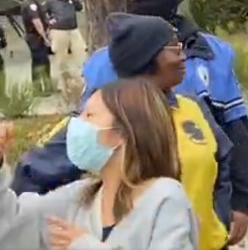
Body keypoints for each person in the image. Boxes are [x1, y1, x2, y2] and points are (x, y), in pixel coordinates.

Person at [77, 0, 248, 245]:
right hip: (130, 221)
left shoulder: (213, 55)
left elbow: (237, 132)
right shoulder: (103, 63)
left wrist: (240, 202)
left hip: (202, 213)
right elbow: (82, 142)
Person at [14, 14, 233, 250]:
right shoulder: (101, 118)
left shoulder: (192, 107)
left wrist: (225, 216)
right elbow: (29, 181)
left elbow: (223, 161)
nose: (183, 55)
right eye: (173, 47)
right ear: (147, 57)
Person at [0, 78, 198, 249]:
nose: (76, 125)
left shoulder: (164, 199)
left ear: (122, 132)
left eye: (89, 115)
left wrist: (83, 245)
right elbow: (12, 226)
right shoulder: (79, 198)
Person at [44, 0, 88, 91]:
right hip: (59, 30)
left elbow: (80, 7)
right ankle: (62, 84)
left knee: (81, 52)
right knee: (61, 57)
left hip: (73, 29)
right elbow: (41, 12)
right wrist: (48, 21)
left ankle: (82, 80)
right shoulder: (51, 2)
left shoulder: (70, 1)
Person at [21, 0, 52, 89]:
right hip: (36, 37)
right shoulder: (31, 4)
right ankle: (44, 87)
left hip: (34, 37)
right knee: (42, 62)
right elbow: (36, 22)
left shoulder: (29, 3)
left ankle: (38, 88)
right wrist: (45, 37)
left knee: (37, 62)